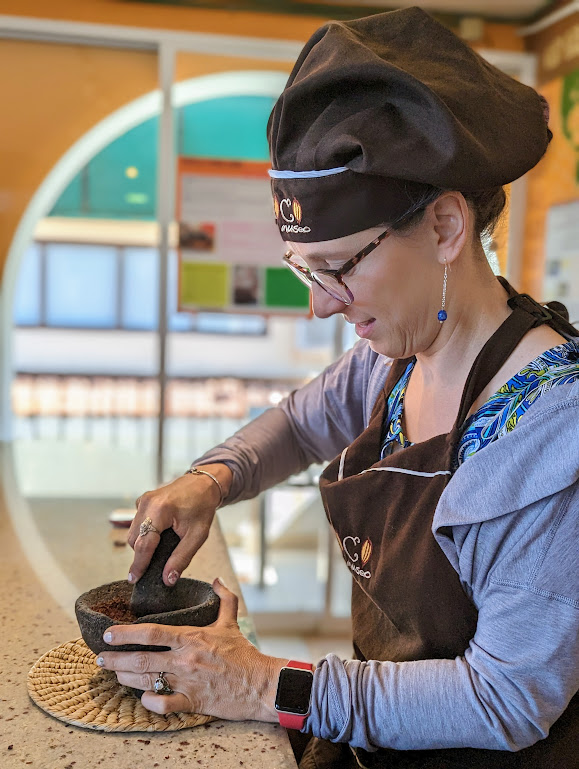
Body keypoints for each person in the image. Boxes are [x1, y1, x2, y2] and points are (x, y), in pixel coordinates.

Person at [97, 7, 579, 767]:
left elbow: (507, 698)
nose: (319, 303)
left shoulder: (551, 428)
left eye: (340, 266)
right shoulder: (396, 358)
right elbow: (297, 423)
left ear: (447, 226)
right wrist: (209, 480)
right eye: (304, 269)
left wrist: (265, 686)